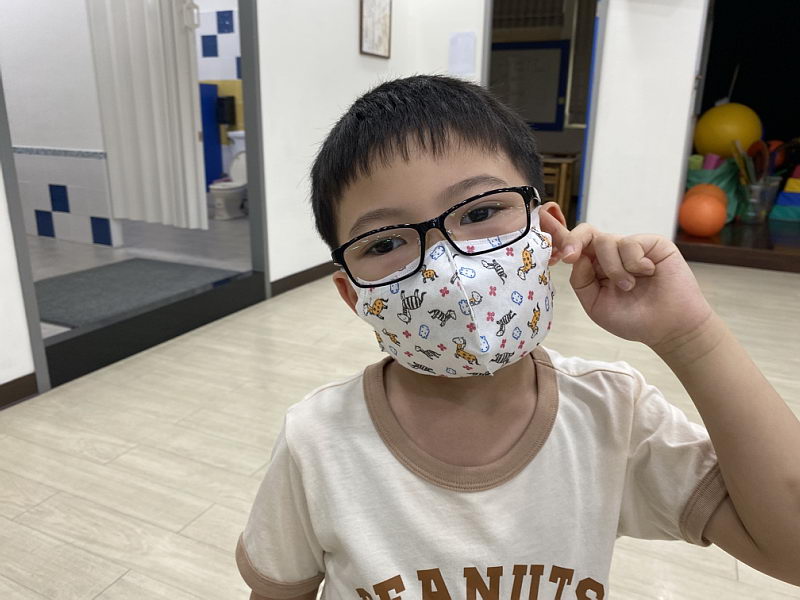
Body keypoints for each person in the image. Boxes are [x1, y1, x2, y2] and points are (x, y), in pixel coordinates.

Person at [235, 75, 800, 598]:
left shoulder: (613, 413)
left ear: (547, 232)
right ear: (353, 294)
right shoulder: (318, 441)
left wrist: (690, 335)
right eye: (384, 243)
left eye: (480, 212)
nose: (448, 267)